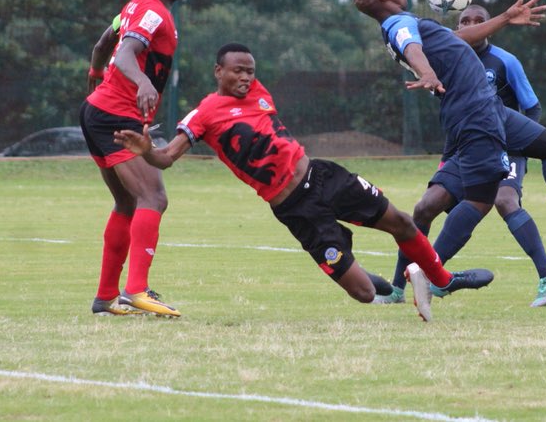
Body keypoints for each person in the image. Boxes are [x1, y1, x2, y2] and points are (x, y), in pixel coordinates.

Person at [113, 43, 495, 322]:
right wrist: (146, 149)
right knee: (363, 294)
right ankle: (387, 279)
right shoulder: (205, 113)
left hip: (323, 176)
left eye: (250, 70)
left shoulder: (260, 93)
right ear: (218, 72)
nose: (245, 77)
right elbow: (166, 157)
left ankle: (441, 279)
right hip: (295, 210)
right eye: (237, 71)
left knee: (403, 223)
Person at [352, 0, 546, 300]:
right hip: (475, 112)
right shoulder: (398, 24)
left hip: (487, 108)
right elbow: (409, 44)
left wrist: (506, 18)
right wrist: (425, 71)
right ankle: (428, 274)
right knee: (482, 200)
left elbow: (460, 38)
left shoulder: (412, 23)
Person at [79, 0, 190, 317]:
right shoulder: (152, 12)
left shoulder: (132, 8)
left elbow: (102, 45)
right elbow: (125, 53)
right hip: (115, 116)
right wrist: (142, 83)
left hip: (100, 110)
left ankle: (106, 296)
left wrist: (95, 78)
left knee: (127, 203)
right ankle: (136, 290)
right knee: (153, 198)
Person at [87, 14, 120, 94]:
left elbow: (101, 47)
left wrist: (95, 71)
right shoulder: (153, 15)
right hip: (130, 98)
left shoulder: (127, 13)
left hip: (99, 98)